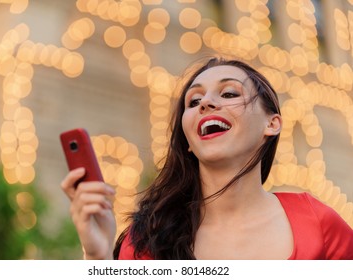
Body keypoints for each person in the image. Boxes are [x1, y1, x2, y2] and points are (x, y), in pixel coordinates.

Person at [61, 57, 353, 260]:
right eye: (194, 101)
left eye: (228, 93)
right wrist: (97, 257)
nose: (207, 103)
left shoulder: (318, 222)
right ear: (188, 140)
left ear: (272, 124)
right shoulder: (149, 238)